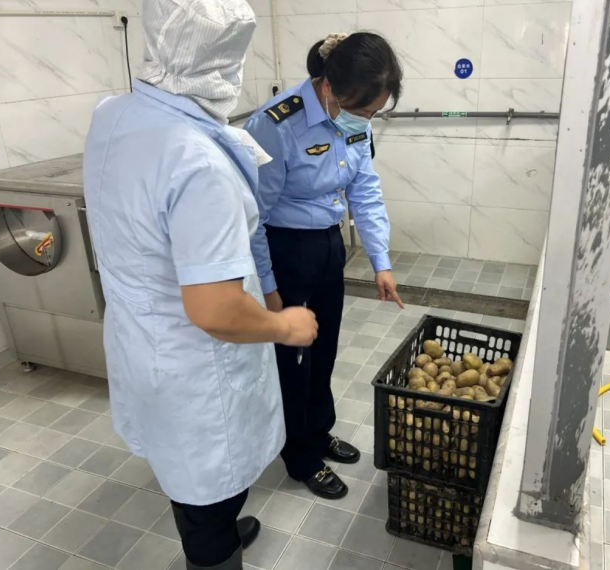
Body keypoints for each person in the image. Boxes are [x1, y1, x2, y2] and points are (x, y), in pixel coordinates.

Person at [83, 1, 318, 569]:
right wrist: (284, 325)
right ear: (225, 60)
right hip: (195, 368)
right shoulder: (198, 163)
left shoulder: (113, 114)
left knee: (185, 471)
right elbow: (215, 309)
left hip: (143, 340)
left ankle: (217, 527)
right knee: (206, 494)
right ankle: (214, 551)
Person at [244, 32, 404, 499]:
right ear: (331, 87)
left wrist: (380, 261)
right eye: (363, 110)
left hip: (328, 246)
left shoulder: (354, 117)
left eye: (375, 112)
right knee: (294, 360)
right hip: (285, 250)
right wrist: (270, 290)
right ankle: (300, 456)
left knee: (325, 347)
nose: (367, 120)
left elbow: (364, 190)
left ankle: (318, 431)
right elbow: (252, 218)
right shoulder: (275, 125)